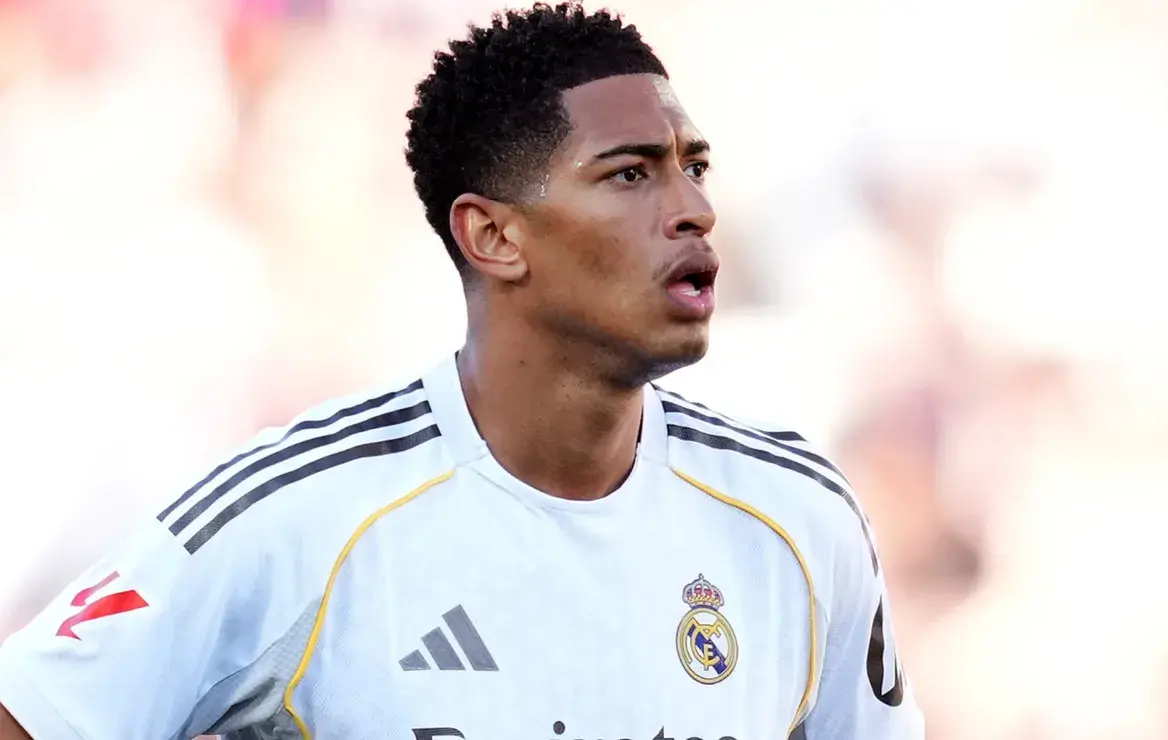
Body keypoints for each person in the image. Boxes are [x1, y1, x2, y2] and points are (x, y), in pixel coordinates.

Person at [0, 3, 924, 738]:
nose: (694, 209)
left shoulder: (797, 517)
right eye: (631, 175)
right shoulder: (296, 517)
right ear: (493, 236)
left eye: (696, 167)